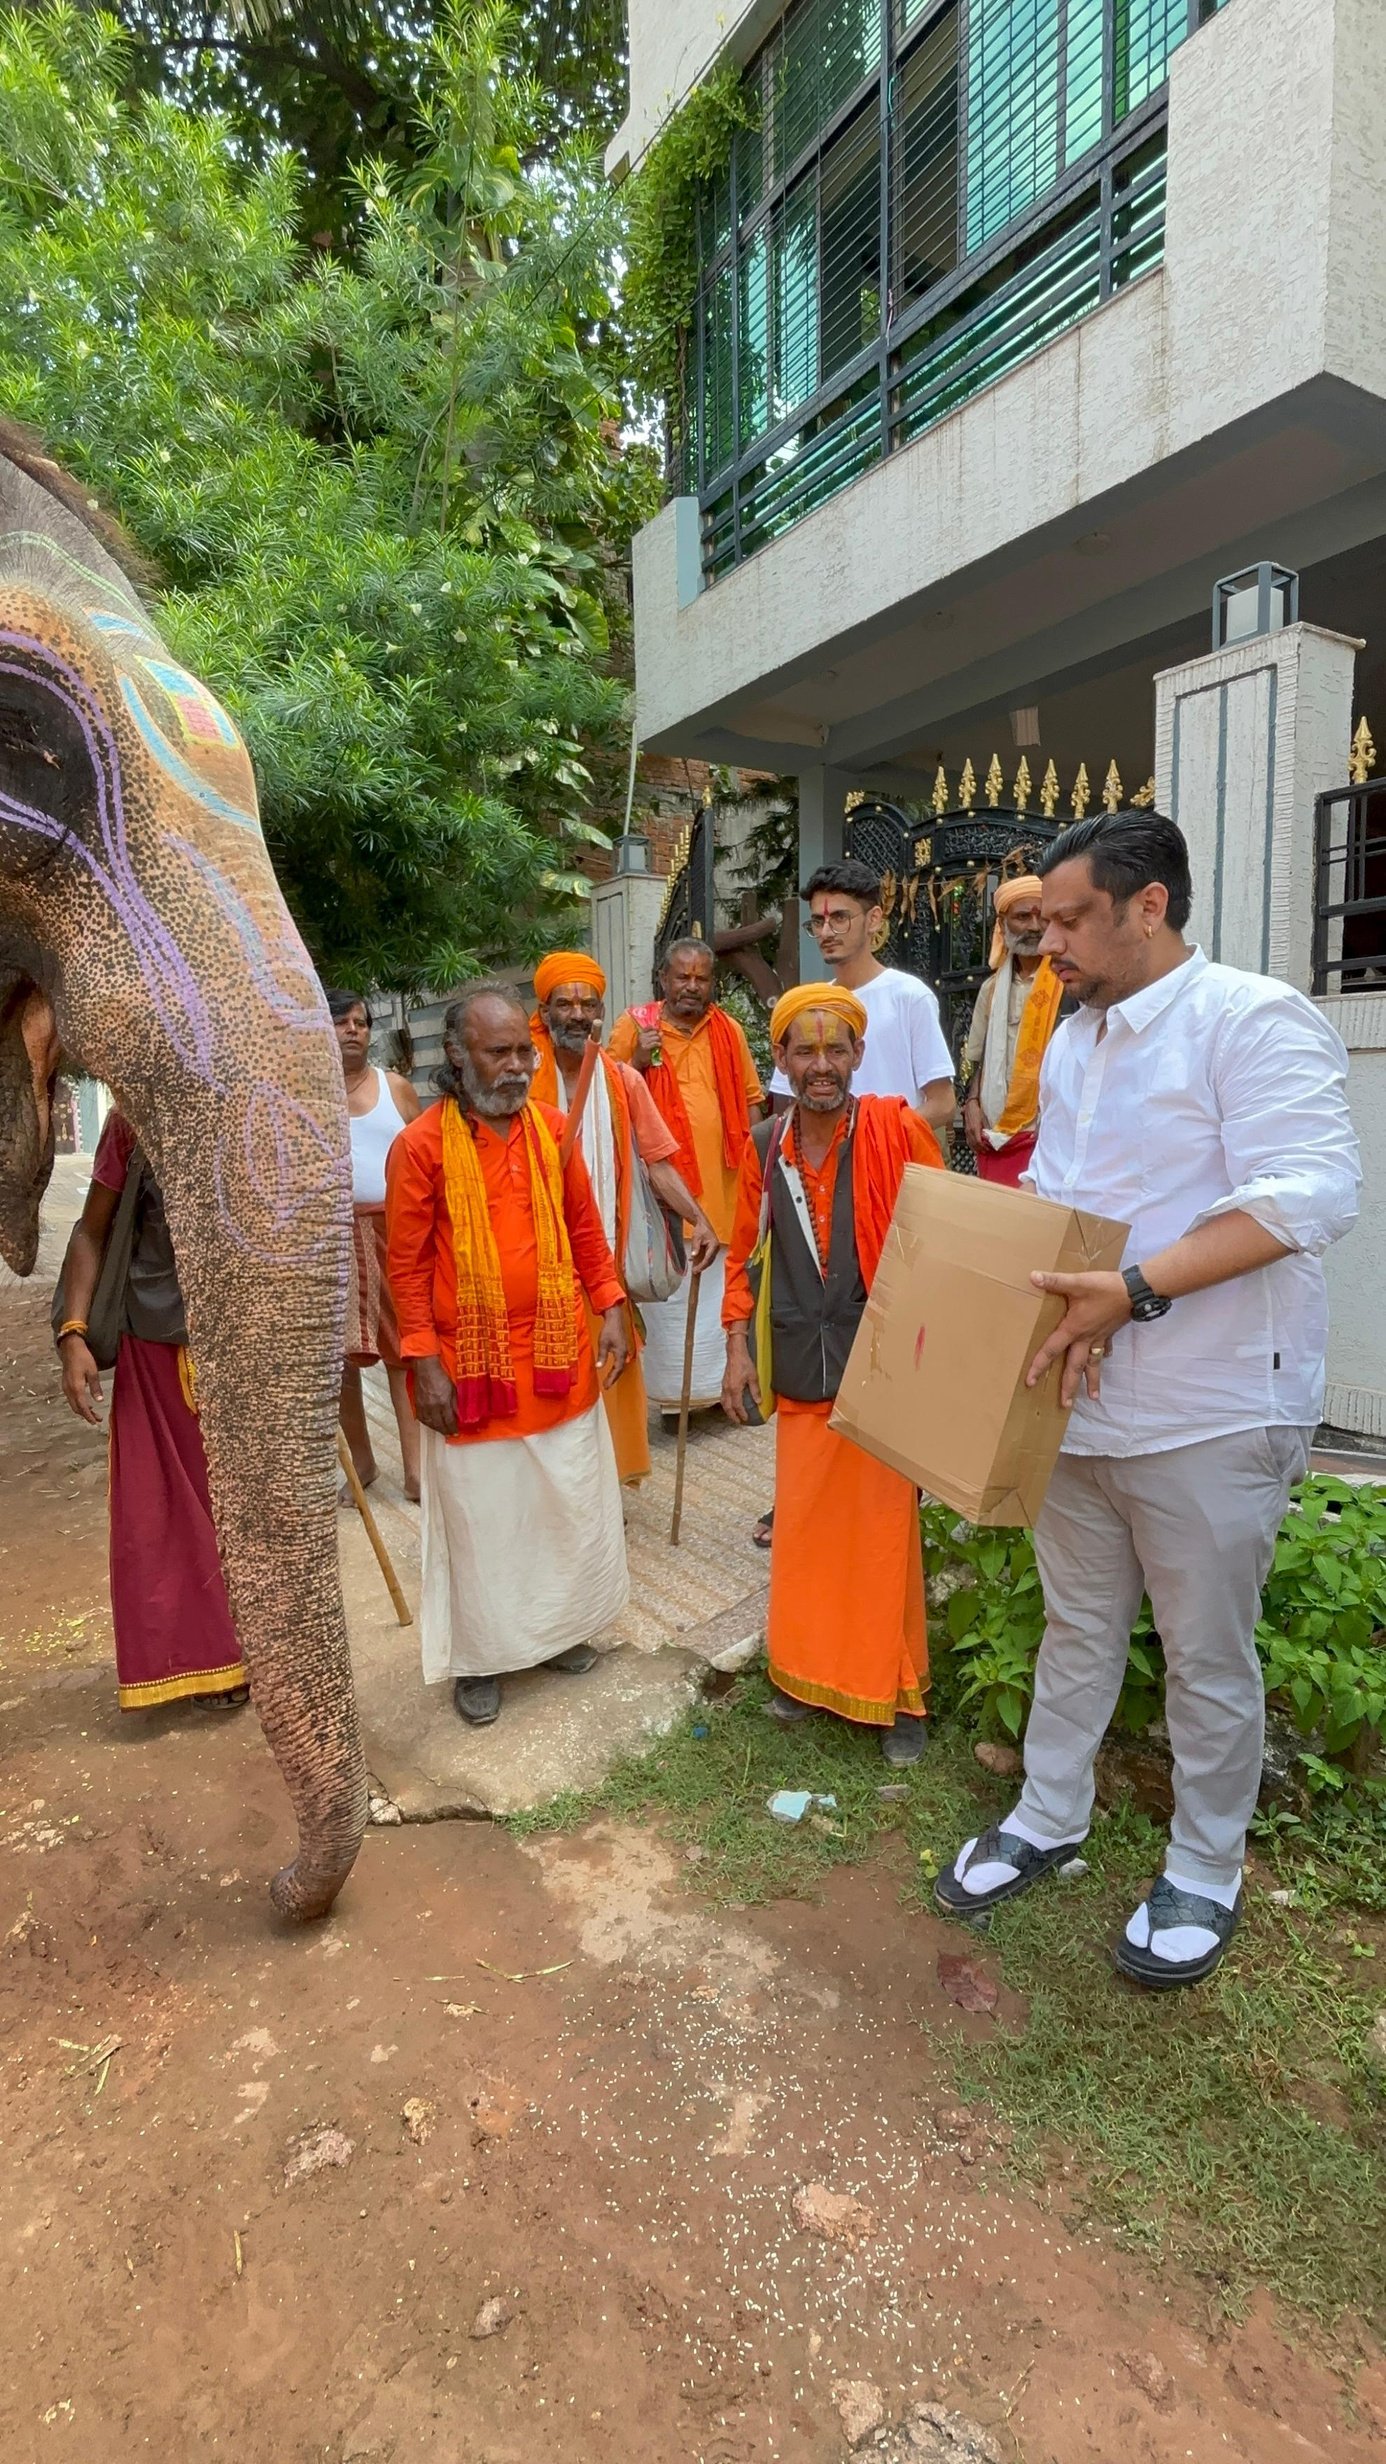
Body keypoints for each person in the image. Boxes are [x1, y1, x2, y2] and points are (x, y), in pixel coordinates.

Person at [935, 810, 1361, 1987]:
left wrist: (1131, 1290)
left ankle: (1206, 1866)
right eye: (1044, 920)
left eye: (1071, 918)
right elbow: (1067, 1195)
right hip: (1091, 1395)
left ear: (1150, 906)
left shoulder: (1252, 1018)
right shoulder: (1075, 1038)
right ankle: (1049, 1817)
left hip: (1217, 1404)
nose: (1048, 939)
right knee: (1078, 1626)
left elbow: (1307, 1199)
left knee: (1204, 1652)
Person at [385, 984, 631, 1726]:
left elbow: (586, 1230)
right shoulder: (421, 1146)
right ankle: (483, 1659)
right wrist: (422, 1361)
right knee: (485, 1522)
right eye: (501, 1054)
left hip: (556, 1358)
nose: (520, 1066)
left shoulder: (553, 1130)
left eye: (524, 1051)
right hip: (471, 1369)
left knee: (561, 1507)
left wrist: (612, 1305)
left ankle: (556, 1634)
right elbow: (406, 1267)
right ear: (457, 1057)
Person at [721, 984, 944, 1766]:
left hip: (881, 1367)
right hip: (799, 1363)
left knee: (885, 1535)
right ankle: (805, 1674)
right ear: (780, 1059)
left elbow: (940, 1242)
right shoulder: (761, 1146)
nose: (822, 1065)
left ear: (858, 1054)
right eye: (805, 1050)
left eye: (837, 1049)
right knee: (808, 1530)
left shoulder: (897, 1128)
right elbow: (743, 1253)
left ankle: (897, 1693)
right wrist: (736, 1347)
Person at [56, 1113, 248, 1711]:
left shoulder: (259, 1107)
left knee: (252, 1506)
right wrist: (72, 1334)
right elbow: (92, 1230)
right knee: (167, 1508)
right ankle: (205, 1658)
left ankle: (264, 1647)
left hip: (247, 1344)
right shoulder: (130, 1123)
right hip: (157, 1345)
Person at [531, 951, 721, 1485]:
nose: (576, 1013)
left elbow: (658, 1160)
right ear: (542, 1011)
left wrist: (698, 1219)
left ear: (599, 1011)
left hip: (601, 1260)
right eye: (563, 1002)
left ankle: (603, 1489)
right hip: (532, 1260)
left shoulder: (620, 1080)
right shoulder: (520, 1075)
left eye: (587, 1003)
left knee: (607, 1368)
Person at [609, 938, 766, 1411]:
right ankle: (675, 1400)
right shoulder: (634, 1025)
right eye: (683, 977)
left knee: (720, 1294)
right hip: (663, 1194)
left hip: (724, 1189)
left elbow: (753, 1101)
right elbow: (606, 1094)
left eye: (702, 978)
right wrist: (636, 1058)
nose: (692, 987)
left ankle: (719, 1394)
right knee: (672, 1305)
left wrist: (758, 1173)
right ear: (663, 979)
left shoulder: (729, 1030)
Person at [768, 862, 955, 1129]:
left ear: (874, 919)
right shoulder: (810, 1006)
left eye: (840, 918)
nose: (826, 932)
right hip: (823, 1165)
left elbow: (943, 1104)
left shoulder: (910, 996)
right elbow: (789, 1104)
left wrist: (873, 1139)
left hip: (893, 1162)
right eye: (818, 922)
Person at [328, 989, 422, 1503]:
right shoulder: (306, 1095)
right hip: (333, 1238)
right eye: (341, 1022)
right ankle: (361, 1463)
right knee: (340, 1359)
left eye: (360, 1022)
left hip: (396, 1233)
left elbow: (428, 1155)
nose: (353, 1030)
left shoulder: (396, 1089)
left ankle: (415, 1469)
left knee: (403, 1350)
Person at [961, 875, 1067, 1185]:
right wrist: (971, 1103)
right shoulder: (991, 989)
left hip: (1048, 1136)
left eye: (1042, 916)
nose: (1035, 926)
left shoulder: (1068, 986)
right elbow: (975, 1058)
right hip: (994, 1138)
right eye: (1023, 916)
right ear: (1003, 923)